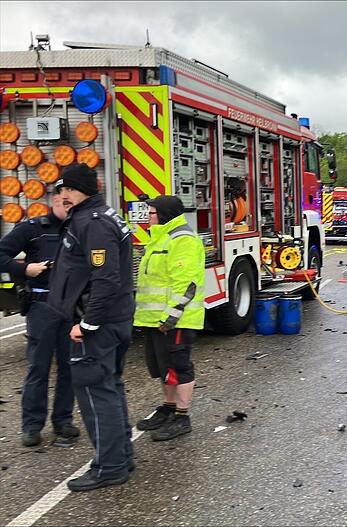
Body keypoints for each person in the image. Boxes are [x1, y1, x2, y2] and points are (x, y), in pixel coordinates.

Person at [47, 163, 135, 492]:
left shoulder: (93, 222)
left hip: (97, 324)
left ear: (82, 189)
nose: (62, 195)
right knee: (108, 388)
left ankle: (110, 467)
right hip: (112, 319)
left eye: (67, 189)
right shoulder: (99, 216)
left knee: (97, 394)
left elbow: (106, 278)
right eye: (59, 191)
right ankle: (121, 457)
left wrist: (87, 322)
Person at [0, 191, 79, 447]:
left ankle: (63, 421)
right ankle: (32, 425)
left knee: (70, 368)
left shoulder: (82, 228)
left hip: (71, 308)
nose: (68, 206)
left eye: (72, 202)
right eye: (63, 201)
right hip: (42, 306)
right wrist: (24, 269)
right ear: (54, 201)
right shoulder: (32, 229)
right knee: (38, 368)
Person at [134, 196, 205, 441]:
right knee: (162, 368)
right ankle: (167, 408)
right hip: (154, 319)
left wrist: (170, 318)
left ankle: (182, 417)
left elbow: (185, 285)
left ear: (164, 215)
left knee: (179, 367)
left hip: (175, 320)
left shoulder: (183, 240)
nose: (148, 217)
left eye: (152, 213)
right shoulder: (159, 238)